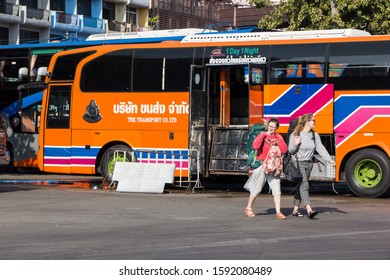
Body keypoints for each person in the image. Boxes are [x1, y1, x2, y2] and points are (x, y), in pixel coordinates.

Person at [288, 113, 336, 219]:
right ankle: (309, 209)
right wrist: (296, 144)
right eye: (313, 120)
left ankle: (295, 210)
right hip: (298, 162)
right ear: (307, 122)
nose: (315, 122)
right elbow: (290, 150)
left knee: (301, 186)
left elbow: (320, 148)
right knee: (304, 185)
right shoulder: (296, 134)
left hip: (309, 163)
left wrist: (329, 160)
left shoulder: (314, 135)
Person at [244, 118, 288, 220]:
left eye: (274, 127)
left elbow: (284, 149)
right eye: (270, 126)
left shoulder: (278, 136)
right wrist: (263, 135)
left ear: (277, 128)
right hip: (262, 165)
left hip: (273, 167)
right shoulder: (262, 135)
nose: (272, 129)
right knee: (257, 188)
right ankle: (248, 208)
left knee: (277, 189)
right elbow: (255, 146)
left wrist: (278, 138)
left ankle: (278, 212)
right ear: (268, 126)